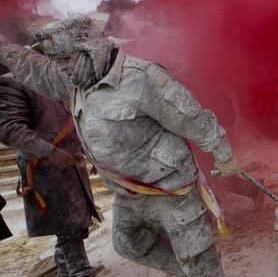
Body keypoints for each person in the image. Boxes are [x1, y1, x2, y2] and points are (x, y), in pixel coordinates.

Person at [0, 15, 242, 276]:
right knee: (127, 243)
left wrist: (223, 155)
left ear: (90, 49)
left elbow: (191, 118)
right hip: (128, 192)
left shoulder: (140, 77)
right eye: (57, 61)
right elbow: (31, 67)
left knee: (195, 257)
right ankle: (190, 271)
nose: (61, 68)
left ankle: (200, 269)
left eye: (66, 59)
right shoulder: (74, 80)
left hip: (170, 189)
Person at [0, 64, 99, 276]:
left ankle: (65, 267)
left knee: (78, 223)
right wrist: (50, 151)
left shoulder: (52, 78)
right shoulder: (11, 82)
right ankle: (79, 270)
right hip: (45, 168)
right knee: (68, 224)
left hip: (71, 163)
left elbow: (73, 117)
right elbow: (9, 129)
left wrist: (90, 154)